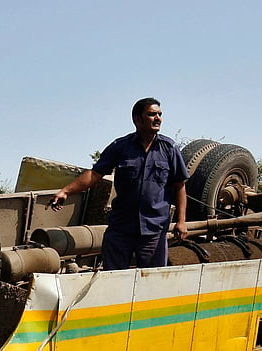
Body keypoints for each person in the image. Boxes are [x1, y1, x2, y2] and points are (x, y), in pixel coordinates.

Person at [50, 97, 189, 270]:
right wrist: (66, 192)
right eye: (152, 114)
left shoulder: (169, 148)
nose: (158, 118)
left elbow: (179, 186)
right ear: (137, 119)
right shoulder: (121, 146)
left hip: (154, 230)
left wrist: (181, 221)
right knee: (113, 278)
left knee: (153, 281)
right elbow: (95, 174)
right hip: (121, 228)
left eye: (160, 114)